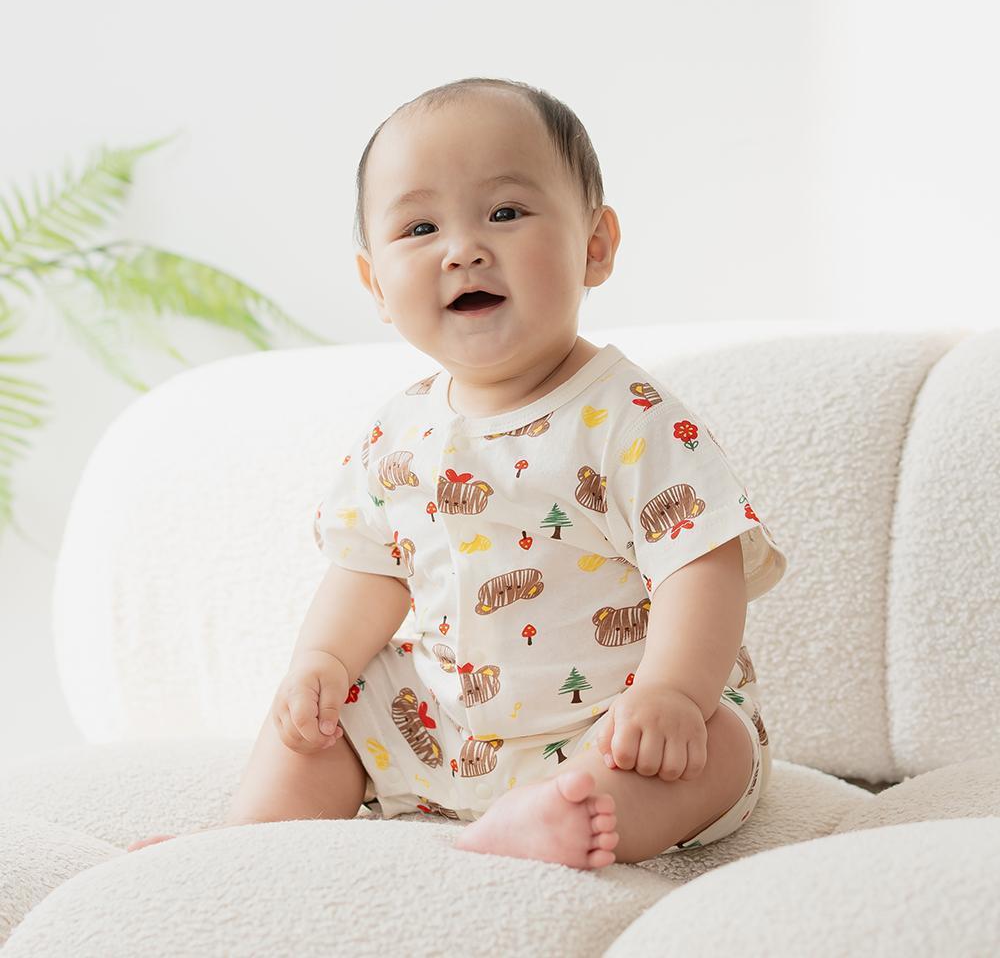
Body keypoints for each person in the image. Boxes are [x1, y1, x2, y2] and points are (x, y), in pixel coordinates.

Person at [128, 77, 789, 868]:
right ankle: (250, 843)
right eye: (420, 227)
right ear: (376, 284)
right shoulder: (399, 429)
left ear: (595, 245)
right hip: (448, 729)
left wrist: (672, 691)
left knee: (715, 746)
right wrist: (322, 663)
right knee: (336, 704)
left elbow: (699, 561)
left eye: (505, 213)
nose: (463, 249)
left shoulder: (629, 415)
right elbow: (370, 568)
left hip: (612, 718)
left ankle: (565, 816)